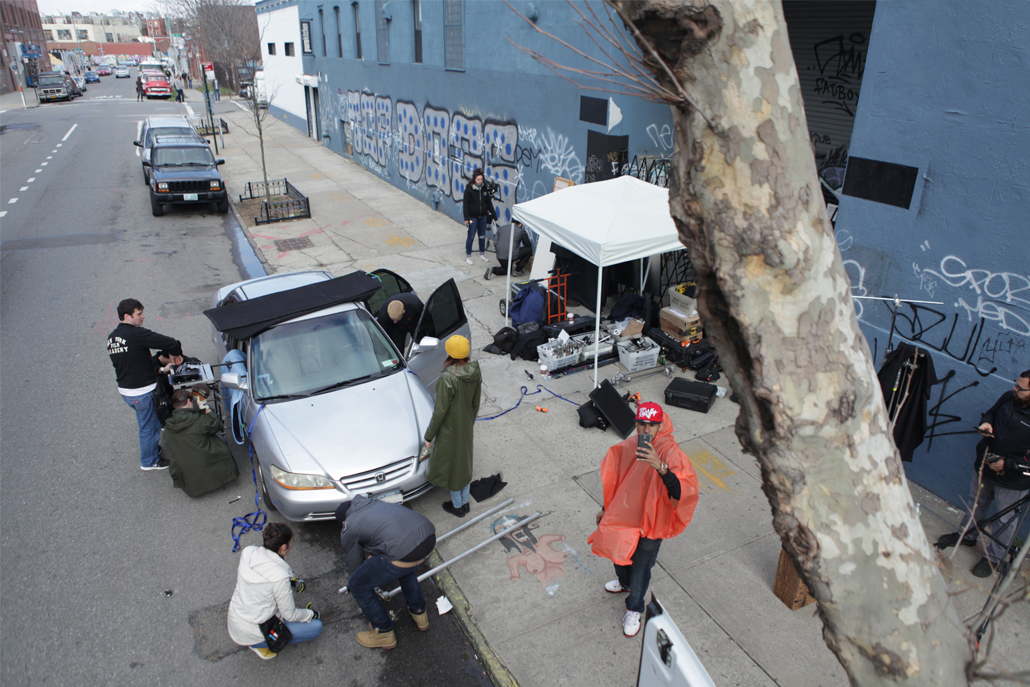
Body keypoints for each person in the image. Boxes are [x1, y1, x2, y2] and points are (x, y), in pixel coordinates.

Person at [588, 402, 699, 637]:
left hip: (653, 523)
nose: (646, 430)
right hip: (625, 516)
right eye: (641, 425)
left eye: (651, 425)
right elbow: (617, 480)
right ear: (636, 424)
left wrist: (660, 467)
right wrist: (606, 508)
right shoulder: (630, 447)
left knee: (641, 569)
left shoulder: (671, 453)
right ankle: (624, 583)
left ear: (661, 426)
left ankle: (635, 608)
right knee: (619, 556)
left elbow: (682, 492)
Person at [938, 370, 1030, 577]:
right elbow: (991, 412)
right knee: (976, 503)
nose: (1014, 389)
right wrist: (986, 423)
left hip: (1013, 480)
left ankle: (993, 559)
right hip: (986, 464)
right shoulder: (1009, 397)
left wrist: (1007, 464)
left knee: (1005, 519)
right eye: (1015, 384)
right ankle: (967, 536)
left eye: (1020, 387)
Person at [337, 496, 435, 649]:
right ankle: (419, 612)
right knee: (405, 568)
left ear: (343, 522)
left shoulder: (349, 526)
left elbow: (355, 564)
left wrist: (362, 578)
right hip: (428, 536)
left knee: (357, 584)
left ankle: (383, 632)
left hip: (405, 551)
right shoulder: (373, 504)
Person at [107, 299, 184, 470]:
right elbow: (170, 342)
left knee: (151, 421)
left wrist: (161, 370)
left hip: (126, 391)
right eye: (139, 314)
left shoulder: (112, 339)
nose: (142, 317)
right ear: (127, 316)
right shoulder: (135, 334)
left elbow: (132, 364)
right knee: (148, 427)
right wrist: (175, 355)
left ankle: (151, 448)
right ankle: (149, 461)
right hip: (141, 393)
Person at [227, 523, 322, 659]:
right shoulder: (279, 578)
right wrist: (311, 614)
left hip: (237, 617)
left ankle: (258, 642)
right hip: (255, 630)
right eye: (290, 543)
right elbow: (290, 615)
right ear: (284, 547)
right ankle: (260, 645)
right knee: (316, 627)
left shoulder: (248, 552)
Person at [423, 335, 482, 517]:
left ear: (449, 353)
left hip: (449, 430)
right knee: (464, 463)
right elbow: (475, 403)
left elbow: (439, 412)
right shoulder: (475, 371)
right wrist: (468, 423)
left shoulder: (448, 379)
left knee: (453, 469)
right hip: (465, 424)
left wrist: (428, 436)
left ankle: (458, 507)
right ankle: (465, 502)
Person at [163, 388, 240, 497]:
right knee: (221, 441)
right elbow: (218, 425)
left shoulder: (168, 428)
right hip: (206, 458)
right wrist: (206, 409)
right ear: (189, 402)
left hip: (187, 471)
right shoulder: (198, 420)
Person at [462, 168, 496, 265]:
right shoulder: (469, 190)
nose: (480, 181)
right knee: (471, 236)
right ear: (474, 179)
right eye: (478, 179)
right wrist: (466, 218)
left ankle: (482, 254)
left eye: (481, 179)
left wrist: (494, 215)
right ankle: (468, 255)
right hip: (473, 217)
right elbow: (465, 205)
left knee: (482, 236)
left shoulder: (484, 189)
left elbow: (488, 202)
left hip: (483, 216)